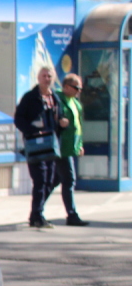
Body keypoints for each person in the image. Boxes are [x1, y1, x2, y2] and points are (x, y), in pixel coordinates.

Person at [13, 66, 62, 229]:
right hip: (35, 144)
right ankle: (38, 215)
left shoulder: (54, 97)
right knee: (40, 180)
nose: (47, 79)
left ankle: (36, 214)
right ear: (38, 78)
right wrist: (33, 130)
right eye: (44, 76)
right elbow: (18, 119)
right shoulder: (30, 97)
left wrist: (62, 124)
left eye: (49, 76)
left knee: (50, 180)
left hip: (50, 144)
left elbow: (58, 118)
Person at [58, 72, 90, 226]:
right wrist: (59, 122)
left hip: (72, 146)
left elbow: (78, 126)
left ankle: (37, 210)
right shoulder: (58, 99)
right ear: (66, 87)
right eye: (76, 87)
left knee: (56, 180)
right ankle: (72, 215)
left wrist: (80, 145)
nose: (79, 91)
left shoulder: (75, 103)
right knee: (69, 179)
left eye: (80, 88)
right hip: (61, 146)